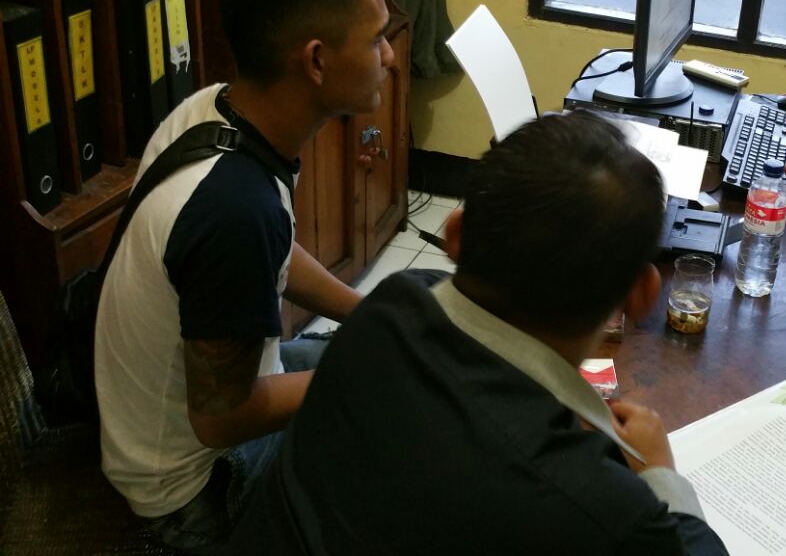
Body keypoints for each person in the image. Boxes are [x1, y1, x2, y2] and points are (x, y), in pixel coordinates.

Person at [228, 111, 728, 555]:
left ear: (455, 234)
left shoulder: (393, 302)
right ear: (642, 294)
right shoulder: (590, 501)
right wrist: (659, 470)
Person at [94, 0, 394, 552]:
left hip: (192, 417)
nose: (391, 56)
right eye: (375, 40)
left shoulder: (213, 110)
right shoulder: (233, 210)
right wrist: (370, 373)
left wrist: (369, 316)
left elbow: (274, 249)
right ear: (316, 61)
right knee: (396, 430)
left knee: (386, 358)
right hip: (192, 491)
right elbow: (221, 420)